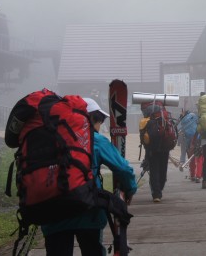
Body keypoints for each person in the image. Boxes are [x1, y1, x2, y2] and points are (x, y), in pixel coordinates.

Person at [42, 97, 137, 256]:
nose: (100, 124)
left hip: (53, 213)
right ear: (89, 118)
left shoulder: (47, 139)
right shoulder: (95, 140)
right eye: (99, 119)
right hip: (87, 211)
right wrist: (129, 189)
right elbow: (124, 169)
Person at [141, 102, 172, 203]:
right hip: (165, 149)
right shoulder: (165, 120)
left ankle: (156, 194)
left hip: (152, 150)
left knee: (154, 170)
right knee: (163, 169)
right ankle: (160, 188)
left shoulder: (147, 121)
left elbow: (144, 138)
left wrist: (147, 150)